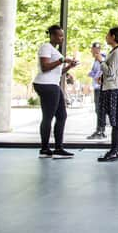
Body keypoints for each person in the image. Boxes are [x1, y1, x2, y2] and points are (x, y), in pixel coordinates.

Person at [33, 25, 78, 159]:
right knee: (48, 117)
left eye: (62, 35)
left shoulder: (53, 50)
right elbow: (45, 67)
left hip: (53, 84)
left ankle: (58, 148)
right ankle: (45, 149)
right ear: (52, 35)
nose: (62, 38)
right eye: (59, 35)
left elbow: (57, 72)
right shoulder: (46, 47)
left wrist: (69, 66)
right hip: (46, 85)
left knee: (62, 116)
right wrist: (62, 60)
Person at [95, 27, 118, 162]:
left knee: (115, 121)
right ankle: (115, 149)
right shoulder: (114, 52)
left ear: (113, 36)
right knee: (113, 120)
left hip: (115, 90)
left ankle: (115, 150)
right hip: (109, 89)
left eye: (108, 35)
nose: (106, 37)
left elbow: (110, 72)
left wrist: (100, 60)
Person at [87, 42, 106, 139]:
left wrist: (97, 76)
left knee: (99, 109)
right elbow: (95, 72)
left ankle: (100, 131)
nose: (92, 50)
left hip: (100, 87)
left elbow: (103, 70)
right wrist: (91, 74)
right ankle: (100, 130)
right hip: (97, 87)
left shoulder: (101, 58)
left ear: (97, 49)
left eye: (93, 49)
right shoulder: (96, 60)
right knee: (98, 109)